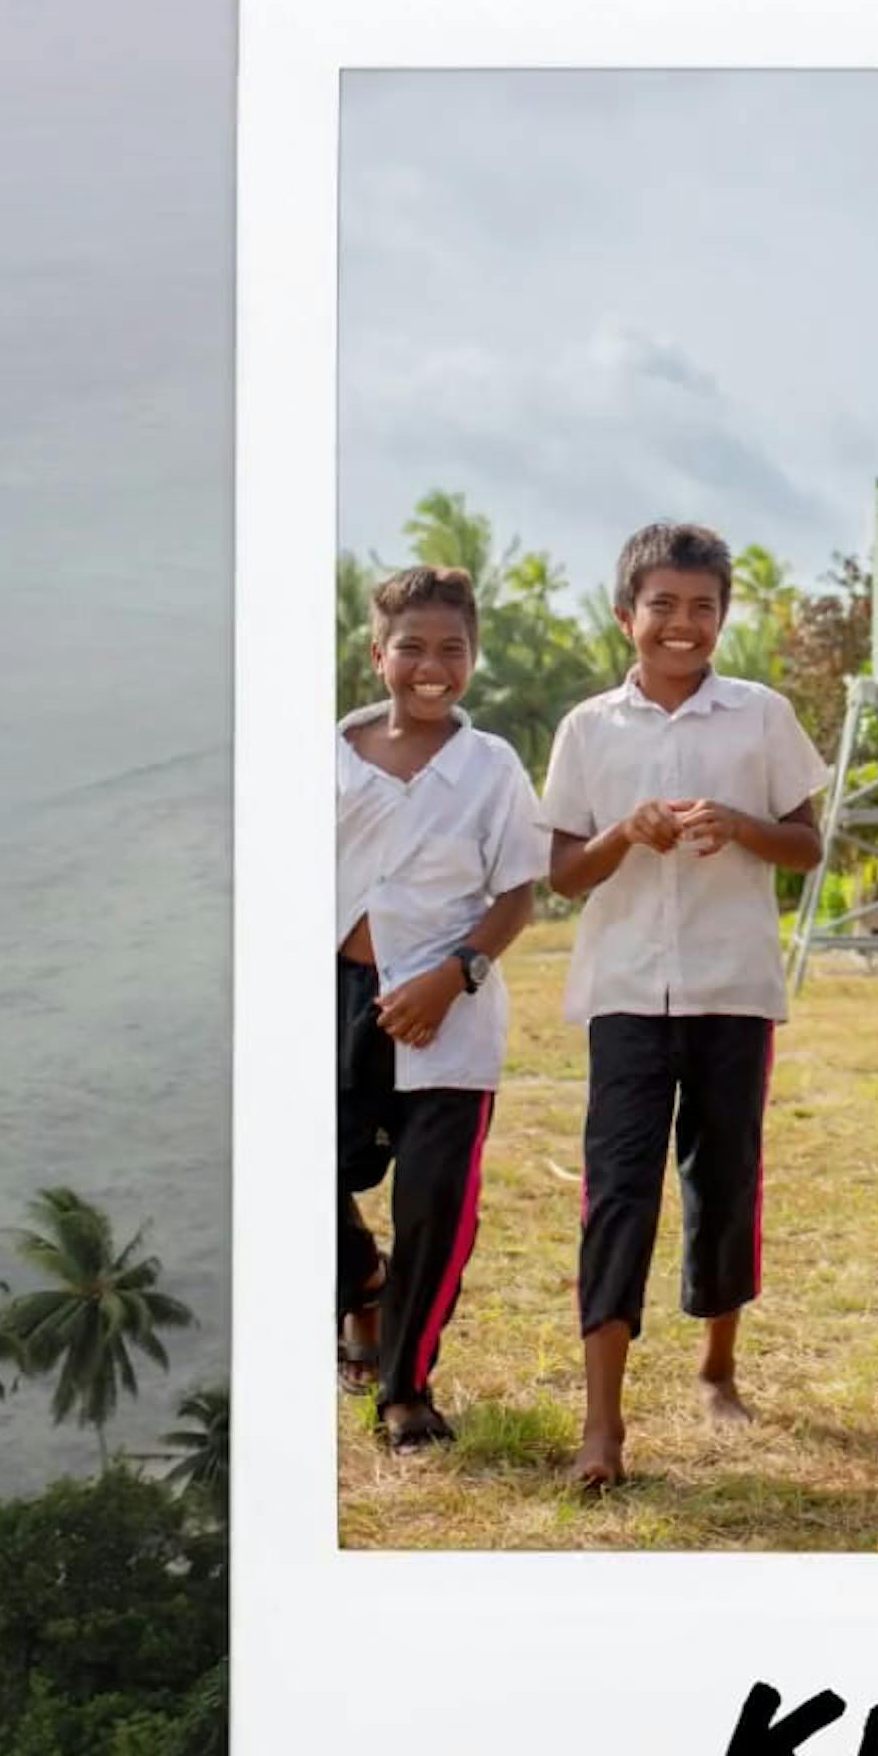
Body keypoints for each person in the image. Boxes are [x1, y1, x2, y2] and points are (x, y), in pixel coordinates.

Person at [539, 521, 830, 1491]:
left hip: (731, 990)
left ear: (723, 616)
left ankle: (717, 1369)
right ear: (625, 613)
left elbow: (807, 845)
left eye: (703, 607)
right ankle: (602, 1424)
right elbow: (563, 874)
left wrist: (740, 825)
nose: (683, 623)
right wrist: (624, 833)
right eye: (662, 604)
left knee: (724, 1180)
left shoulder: (760, 717)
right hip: (625, 994)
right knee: (618, 1192)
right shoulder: (589, 730)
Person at [337, 564, 542, 1452]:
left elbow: (517, 894)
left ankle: (405, 1388)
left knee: (435, 1207)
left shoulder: (490, 768)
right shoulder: (328, 757)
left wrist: (453, 976)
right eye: (411, 648)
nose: (431, 668)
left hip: (449, 1010)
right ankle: (361, 1285)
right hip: (334, 999)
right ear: (377, 655)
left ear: (473, 656)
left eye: (451, 650)